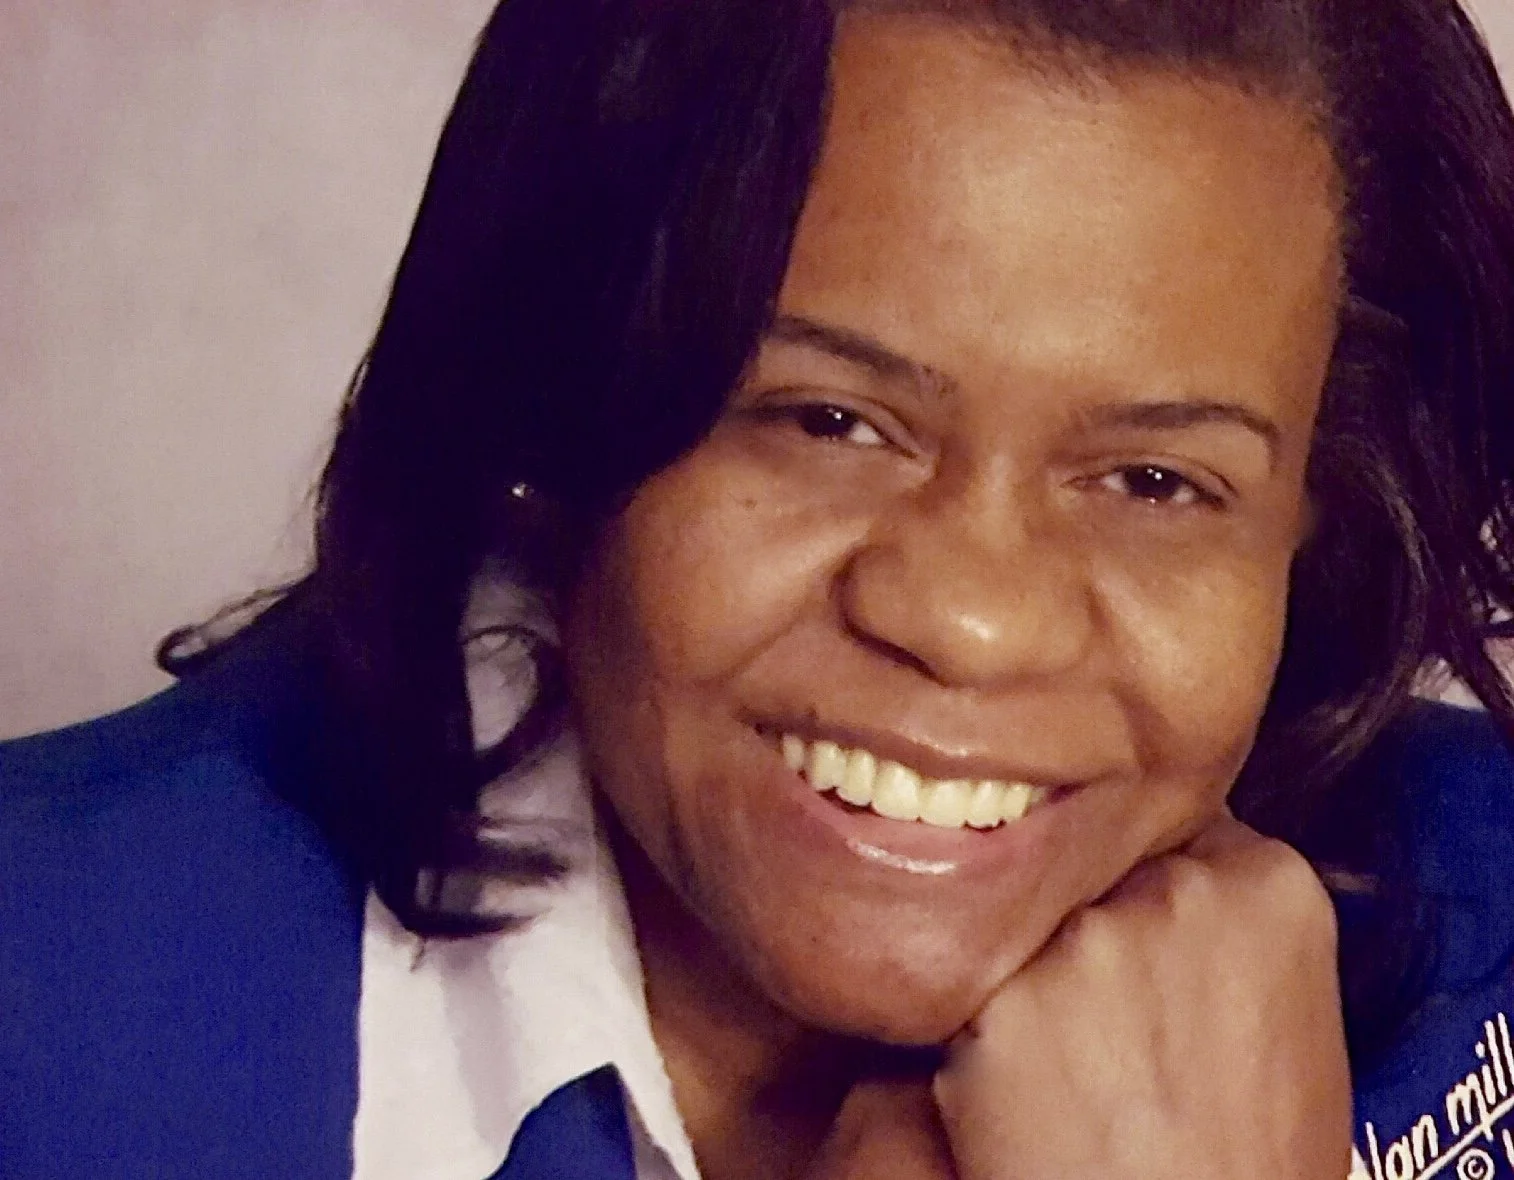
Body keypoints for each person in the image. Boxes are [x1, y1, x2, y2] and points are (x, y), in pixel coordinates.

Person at [5, 0, 1514, 1176]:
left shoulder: (1483, 899)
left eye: (1154, 483)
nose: (972, 620)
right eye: (828, 421)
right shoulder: (51, 1008)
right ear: (558, 394)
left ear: (1318, 512)